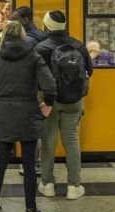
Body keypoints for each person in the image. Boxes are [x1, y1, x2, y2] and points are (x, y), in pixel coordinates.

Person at [0, 21, 56, 212]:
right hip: (29, 113)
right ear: (22, 36)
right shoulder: (33, 57)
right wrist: (48, 103)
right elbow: (49, 84)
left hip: (5, 113)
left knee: (1, 163)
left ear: (4, 35)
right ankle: (30, 211)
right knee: (29, 165)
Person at [36, 11, 93, 200]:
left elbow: (35, 77)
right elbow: (89, 71)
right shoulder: (78, 45)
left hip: (48, 102)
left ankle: (47, 184)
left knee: (48, 142)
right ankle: (74, 187)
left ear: (46, 25)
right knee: (72, 141)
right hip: (74, 101)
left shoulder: (41, 47)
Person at [12, 6, 47, 175]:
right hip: (43, 86)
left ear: (24, 19)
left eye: (16, 18)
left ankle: (34, 163)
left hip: (31, 88)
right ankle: (40, 164)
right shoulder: (42, 35)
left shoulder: (27, 40)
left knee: (30, 127)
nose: (13, 22)